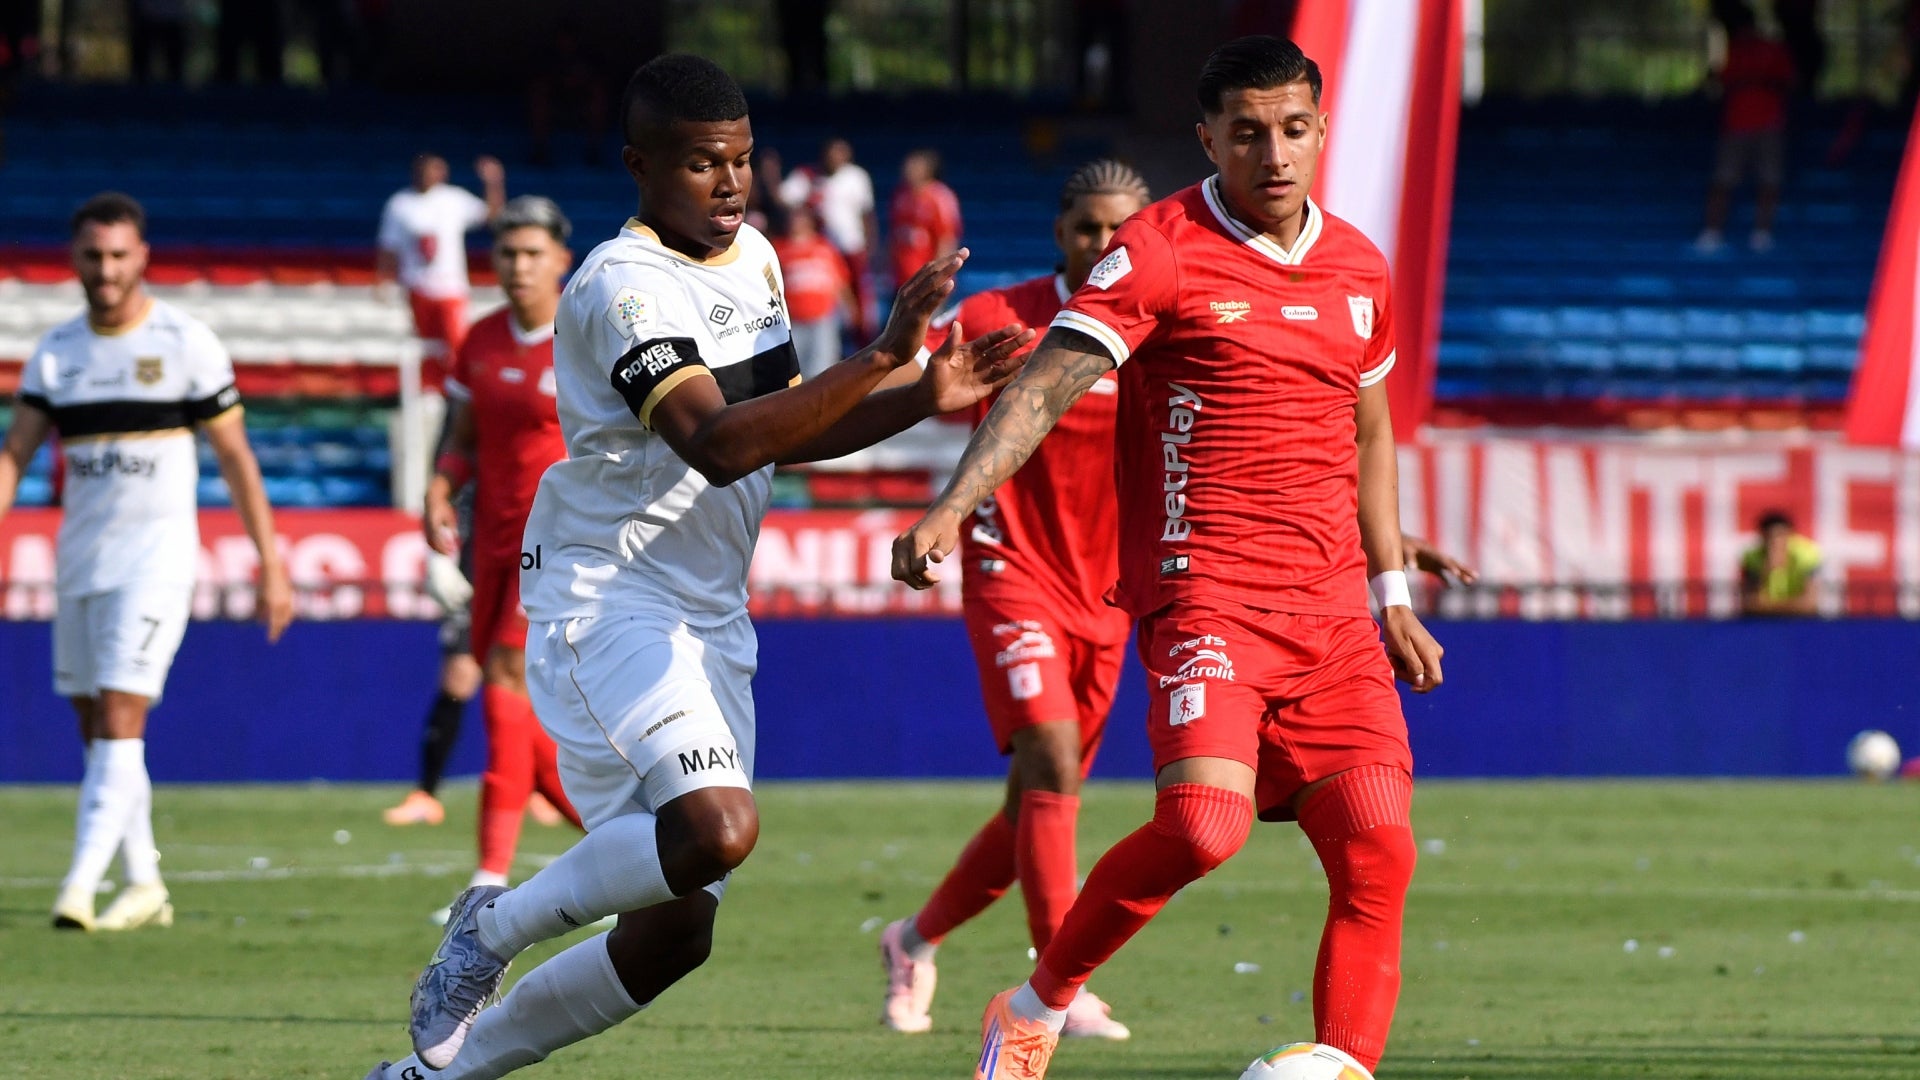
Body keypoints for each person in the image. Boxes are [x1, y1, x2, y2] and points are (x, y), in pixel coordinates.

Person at [362, 53, 1032, 1080]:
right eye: (700, 165)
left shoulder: (757, 261)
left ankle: (431, 1077)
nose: (728, 183)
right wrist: (883, 354)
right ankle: (491, 929)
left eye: (741, 161)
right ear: (640, 167)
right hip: (608, 594)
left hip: (709, 614)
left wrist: (920, 393)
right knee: (720, 828)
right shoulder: (619, 288)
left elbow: (780, 431)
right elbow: (715, 441)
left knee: (677, 932)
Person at [890, 36, 1446, 1078]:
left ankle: (1343, 1069)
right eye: (1246, 133)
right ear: (1209, 140)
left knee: (1380, 846)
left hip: (1333, 617)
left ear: (1322, 131)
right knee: (1201, 828)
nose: (1273, 154)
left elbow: (1368, 434)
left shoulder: (1360, 269)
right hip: (1209, 603)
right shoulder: (1159, 248)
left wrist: (1392, 590)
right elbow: (1047, 384)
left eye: (1292, 129)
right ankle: (1036, 1003)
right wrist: (949, 506)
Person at [875, 158, 1152, 1043]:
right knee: (1053, 761)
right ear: (1059, 231)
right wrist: (905, 346)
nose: (1103, 245)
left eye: (1120, 230)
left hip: (1109, 590)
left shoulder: (1161, 323)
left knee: (1033, 795)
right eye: (1085, 228)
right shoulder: (1002, 319)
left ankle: (912, 940)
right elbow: (917, 392)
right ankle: (1055, 991)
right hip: (1011, 569)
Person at [0, 192, 294, 932]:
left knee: (124, 713)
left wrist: (272, 561)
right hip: (79, 563)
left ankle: (77, 886)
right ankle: (143, 883)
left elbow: (235, 458)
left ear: (143, 258)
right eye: (94, 255)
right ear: (74, 260)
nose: (106, 269)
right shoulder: (59, 353)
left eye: (119, 255)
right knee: (95, 721)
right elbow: (15, 455)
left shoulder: (186, 343)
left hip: (156, 560)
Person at [420, 195, 586, 893]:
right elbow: (461, 441)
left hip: (557, 546)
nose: (517, 267)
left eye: (531, 254)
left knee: (504, 682)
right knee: (520, 710)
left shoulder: (586, 341)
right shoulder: (480, 340)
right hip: (488, 544)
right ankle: (649, 849)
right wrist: (437, 489)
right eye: (507, 254)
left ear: (561, 262)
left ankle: (488, 879)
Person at [377, 153, 508, 370]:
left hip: (451, 287)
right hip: (417, 286)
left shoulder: (454, 199)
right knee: (425, 346)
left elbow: (492, 217)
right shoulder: (400, 204)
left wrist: (493, 182)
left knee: (456, 343)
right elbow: (389, 246)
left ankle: (456, 391)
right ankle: (430, 390)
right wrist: (383, 279)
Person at [1697, 5, 1796, 253]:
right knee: (1723, 179)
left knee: (1769, 180)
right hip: (1736, 125)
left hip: (1768, 124)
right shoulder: (1733, 51)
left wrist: (1757, 80)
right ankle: (1712, 233)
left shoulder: (1773, 49)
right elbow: (1720, 80)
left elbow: (1791, 81)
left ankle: (1762, 234)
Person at [779, 136, 878, 337]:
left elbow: (867, 214)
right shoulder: (808, 176)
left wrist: (871, 245)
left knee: (859, 298)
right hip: (822, 249)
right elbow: (784, 200)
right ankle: (835, 338)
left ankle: (862, 339)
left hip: (852, 246)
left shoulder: (856, 177)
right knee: (827, 294)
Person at [771, 204, 854, 379]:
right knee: (794, 371)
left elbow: (839, 281)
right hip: (793, 320)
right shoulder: (779, 248)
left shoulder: (825, 247)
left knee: (822, 368)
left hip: (822, 318)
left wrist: (850, 307)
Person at [889, 148, 963, 287]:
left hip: (926, 277)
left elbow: (947, 239)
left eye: (915, 165)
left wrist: (939, 274)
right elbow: (894, 233)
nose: (908, 168)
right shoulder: (901, 195)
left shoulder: (939, 197)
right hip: (901, 276)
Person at [1740, 509, 1821, 615]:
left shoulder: (1807, 556)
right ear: (1762, 537)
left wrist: (1767, 606)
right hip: (1764, 621)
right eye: (1770, 537)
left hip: (1800, 620)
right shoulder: (1752, 558)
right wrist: (1765, 572)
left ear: (1790, 535)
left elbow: (1809, 605)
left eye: (1780, 535)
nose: (1775, 542)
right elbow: (1749, 604)